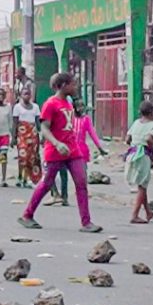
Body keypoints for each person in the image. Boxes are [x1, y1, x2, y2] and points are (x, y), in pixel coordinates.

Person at [19, 73, 102, 233]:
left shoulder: (68, 103)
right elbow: (44, 128)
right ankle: (27, 215)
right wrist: (56, 143)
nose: (75, 87)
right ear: (63, 85)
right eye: (73, 84)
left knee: (81, 182)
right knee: (47, 183)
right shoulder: (51, 104)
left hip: (72, 148)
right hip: (56, 150)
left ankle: (86, 222)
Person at [125, 101, 153, 224]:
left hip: (132, 154)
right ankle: (134, 215)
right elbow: (149, 139)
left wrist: (135, 144)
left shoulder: (135, 123)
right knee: (142, 186)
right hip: (143, 156)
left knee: (141, 185)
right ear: (152, 112)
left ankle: (148, 213)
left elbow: (127, 139)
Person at [13, 87, 42, 188]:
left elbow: (38, 123)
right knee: (23, 157)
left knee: (32, 158)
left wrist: (41, 135)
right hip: (22, 134)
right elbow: (15, 123)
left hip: (33, 134)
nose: (27, 96)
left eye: (28, 94)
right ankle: (20, 177)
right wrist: (13, 137)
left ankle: (27, 179)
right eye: (24, 94)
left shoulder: (35, 107)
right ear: (21, 95)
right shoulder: (17, 107)